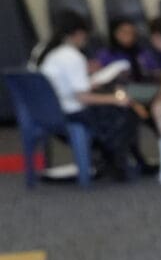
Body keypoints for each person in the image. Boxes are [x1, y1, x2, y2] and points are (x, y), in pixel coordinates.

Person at [36, 11, 146, 180]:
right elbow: (82, 97)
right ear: (79, 33)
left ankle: (106, 159)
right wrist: (115, 99)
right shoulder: (72, 56)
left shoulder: (50, 53)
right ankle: (116, 163)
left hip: (51, 111)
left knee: (113, 109)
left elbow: (70, 88)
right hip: (71, 113)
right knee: (126, 112)